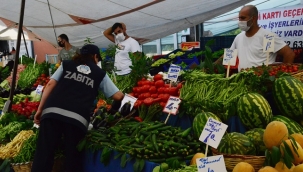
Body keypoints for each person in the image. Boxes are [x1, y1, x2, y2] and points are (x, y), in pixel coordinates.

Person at [31, 44, 124, 172]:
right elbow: (118, 96)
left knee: (43, 155)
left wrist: (40, 110)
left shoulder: (66, 64)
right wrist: (118, 104)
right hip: (77, 119)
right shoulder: (99, 73)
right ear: (95, 56)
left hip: (52, 112)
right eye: (98, 60)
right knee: (72, 159)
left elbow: (50, 84)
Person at [215, 5, 295, 71]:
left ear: (253, 18)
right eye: (239, 18)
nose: (240, 21)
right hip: (243, 81)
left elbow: (289, 54)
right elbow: (229, 56)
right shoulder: (238, 37)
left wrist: (282, 75)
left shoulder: (267, 36)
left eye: (243, 18)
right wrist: (211, 66)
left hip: (262, 82)